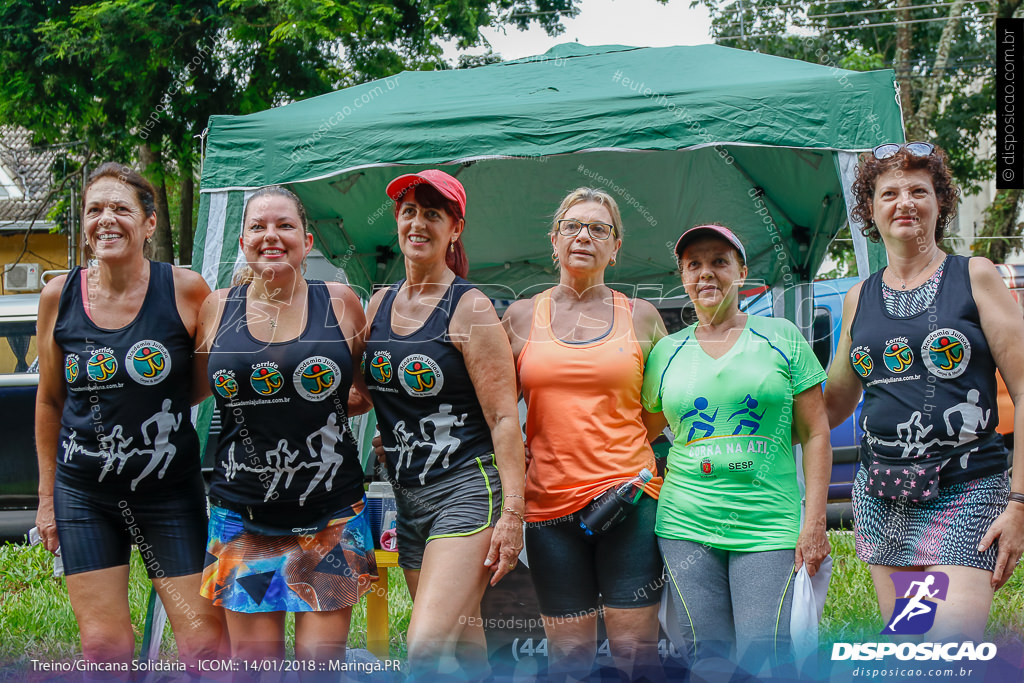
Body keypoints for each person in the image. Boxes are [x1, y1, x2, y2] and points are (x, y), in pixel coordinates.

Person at [824, 141, 1024, 641]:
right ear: (871, 209)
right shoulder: (858, 296)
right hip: (881, 493)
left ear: (941, 203)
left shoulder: (975, 276)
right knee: (909, 646)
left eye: (919, 190)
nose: (905, 202)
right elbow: (834, 404)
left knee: (949, 648)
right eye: (889, 192)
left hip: (966, 490)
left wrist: (1019, 504)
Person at [34, 162, 224, 668]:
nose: (106, 220)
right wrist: (47, 498)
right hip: (84, 495)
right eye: (95, 210)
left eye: (121, 208)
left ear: (149, 223)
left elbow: (198, 385)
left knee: (205, 644)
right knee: (104, 648)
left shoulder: (185, 290)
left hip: (168, 493)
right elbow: (51, 400)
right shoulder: (59, 296)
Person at [194, 185, 377, 666]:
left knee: (319, 668)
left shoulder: (340, 303)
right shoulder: (217, 308)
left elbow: (365, 390)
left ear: (308, 240)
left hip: (331, 517)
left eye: (284, 225)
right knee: (255, 669)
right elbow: (192, 390)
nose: (271, 236)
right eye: (258, 226)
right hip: (243, 517)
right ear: (241, 243)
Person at [641, 224, 832, 675]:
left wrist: (816, 522)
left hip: (769, 524)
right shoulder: (665, 352)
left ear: (742, 272)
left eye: (719, 262)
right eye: (694, 265)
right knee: (707, 658)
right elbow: (639, 430)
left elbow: (818, 433)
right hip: (685, 523)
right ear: (682, 276)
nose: (706, 274)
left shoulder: (781, 336)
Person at [363, 170, 525, 679]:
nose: (418, 223)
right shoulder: (378, 305)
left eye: (433, 214)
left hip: (467, 490)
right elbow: (360, 394)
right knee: (466, 639)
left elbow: (503, 419)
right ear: (397, 220)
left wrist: (513, 515)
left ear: (455, 229)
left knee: (426, 647)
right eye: (409, 211)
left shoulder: (470, 309)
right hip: (407, 495)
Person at [501, 187, 667, 681]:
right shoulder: (521, 317)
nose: (584, 236)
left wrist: (620, 446)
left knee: (635, 649)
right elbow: (499, 412)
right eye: (572, 226)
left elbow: (660, 411)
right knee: (569, 655)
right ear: (554, 240)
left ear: (615, 248)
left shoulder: (641, 317)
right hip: (548, 508)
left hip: (630, 499)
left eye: (599, 229)